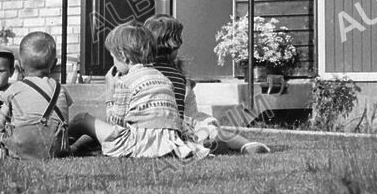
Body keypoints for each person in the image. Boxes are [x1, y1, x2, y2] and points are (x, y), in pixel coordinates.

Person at [68, 23, 208, 160]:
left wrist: (110, 90)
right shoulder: (164, 79)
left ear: (123, 55)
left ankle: (60, 143)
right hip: (168, 143)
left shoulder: (126, 81)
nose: (114, 63)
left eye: (113, 57)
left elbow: (116, 122)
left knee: (82, 119)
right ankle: (74, 146)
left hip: (137, 144)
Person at [144, 13, 270, 155]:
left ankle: (205, 143)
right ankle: (244, 144)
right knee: (210, 128)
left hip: (152, 131)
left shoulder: (138, 74)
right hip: (178, 129)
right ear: (174, 46)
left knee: (203, 127)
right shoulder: (180, 79)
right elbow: (190, 113)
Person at [0, 33, 71, 158]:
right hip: (55, 149)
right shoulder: (60, 89)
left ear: (19, 65)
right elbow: (64, 120)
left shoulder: (15, 88)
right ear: (54, 64)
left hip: (22, 148)